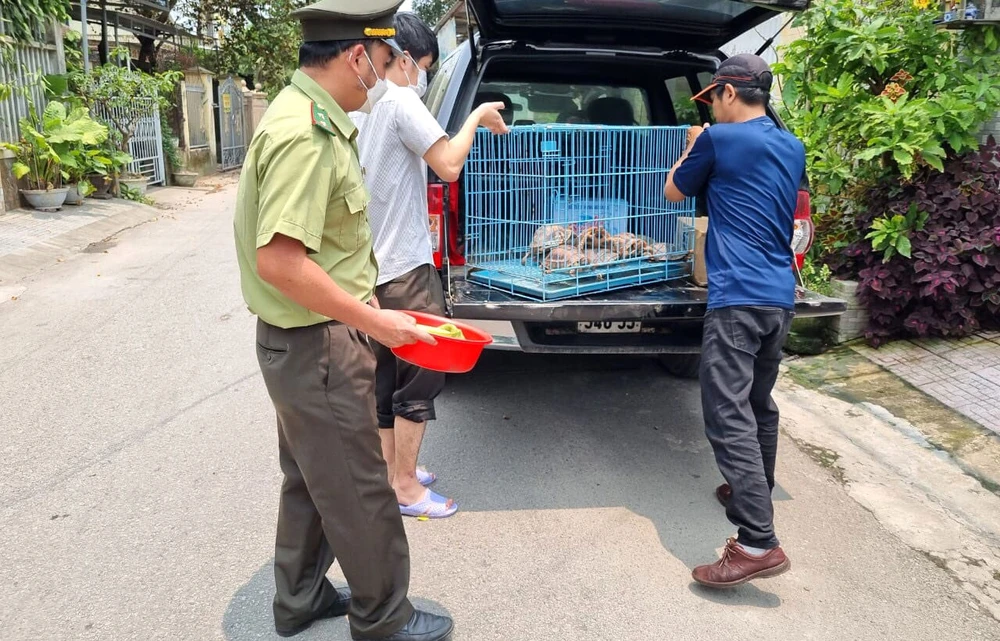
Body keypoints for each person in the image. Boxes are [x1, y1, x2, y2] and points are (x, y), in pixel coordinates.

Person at [233, 0, 454, 639]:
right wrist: (379, 322)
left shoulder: (309, 116)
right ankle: (384, 616)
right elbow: (279, 260)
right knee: (359, 486)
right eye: (384, 65)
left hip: (304, 342)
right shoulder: (306, 133)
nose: (384, 81)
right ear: (358, 57)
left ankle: (299, 598)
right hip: (317, 345)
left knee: (311, 477)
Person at [350, 12, 507, 519]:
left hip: (373, 267)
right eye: (422, 66)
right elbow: (449, 164)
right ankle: (406, 490)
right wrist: (477, 114)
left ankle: (393, 472)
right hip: (407, 268)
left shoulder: (362, 105)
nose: (422, 76)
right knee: (422, 375)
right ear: (400, 60)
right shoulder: (400, 100)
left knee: (385, 376)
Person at [663, 54, 805, 588]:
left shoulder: (719, 141)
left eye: (714, 98)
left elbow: (674, 191)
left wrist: (692, 147)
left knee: (727, 413)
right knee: (757, 402)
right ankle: (754, 489)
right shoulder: (792, 145)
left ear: (726, 93)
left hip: (737, 298)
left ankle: (756, 543)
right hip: (778, 297)